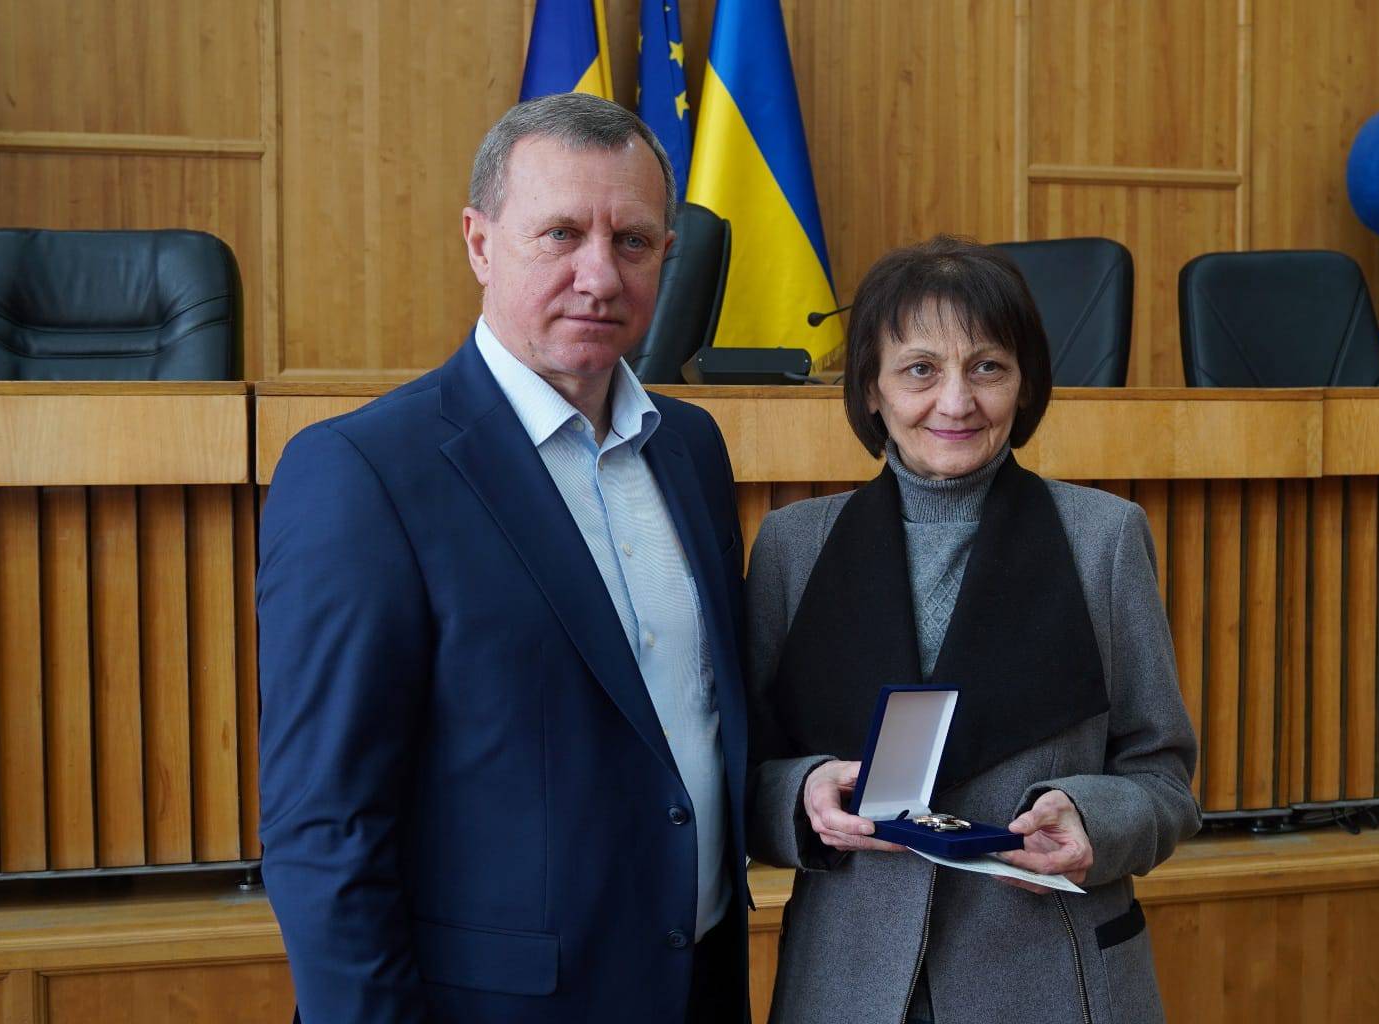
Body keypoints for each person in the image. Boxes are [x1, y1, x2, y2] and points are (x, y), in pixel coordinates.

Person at [256, 93, 749, 1024]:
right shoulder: (361, 472)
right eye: (560, 234)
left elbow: (697, 731)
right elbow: (324, 829)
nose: (599, 276)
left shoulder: (691, 449)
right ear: (480, 243)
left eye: (633, 242)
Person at [745, 235, 1200, 1024]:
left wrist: (1094, 819)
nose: (956, 402)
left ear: (1025, 385)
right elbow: (741, 776)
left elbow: (1163, 782)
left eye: (987, 367)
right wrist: (803, 794)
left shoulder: (1105, 538)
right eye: (920, 369)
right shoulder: (792, 547)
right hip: (849, 985)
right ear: (872, 388)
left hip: (1050, 983)